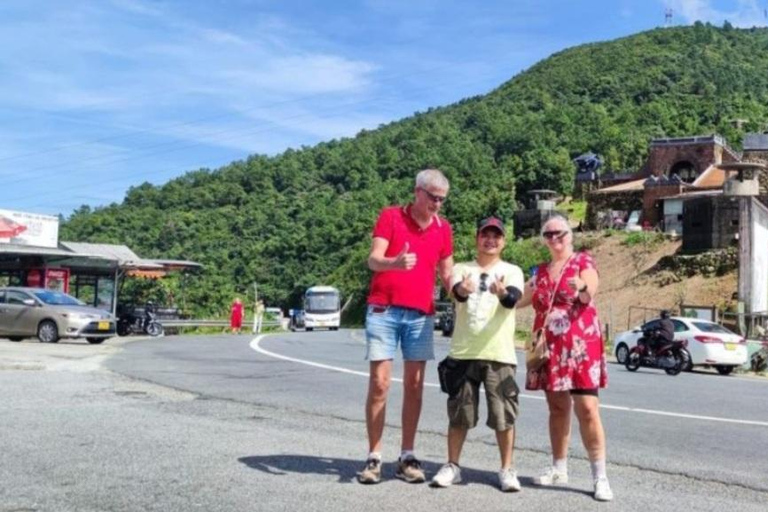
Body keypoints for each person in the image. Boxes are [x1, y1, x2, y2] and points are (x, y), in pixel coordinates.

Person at [358, 168, 454, 485]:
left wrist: (463, 291)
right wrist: (393, 263)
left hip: (420, 315)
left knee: (414, 385)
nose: (437, 205)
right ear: (417, 192)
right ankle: (374, 456)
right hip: (384, 310)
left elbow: (447, 274)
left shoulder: (443, 229)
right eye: (432, 198)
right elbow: (373, 259)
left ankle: (407, 455)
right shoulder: (391, 217)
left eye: (442, 200)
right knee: (381, 383)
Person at [518, 213, 613, 502]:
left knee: (586, 408)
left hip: (580, 346)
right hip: (550, 348)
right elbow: (518, 298)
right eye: (548, 234)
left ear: (570, 235)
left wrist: (581, 288)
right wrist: (498, 294)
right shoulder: (542, 271)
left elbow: (590, 289)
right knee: (557, 408)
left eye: (559, 233)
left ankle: (600, 476)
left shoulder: (583, 261)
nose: (554, 238)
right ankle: (559, 467)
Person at [430, 217, 525, 492]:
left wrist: (501, 291)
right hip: (463, 353)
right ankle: (452, 466)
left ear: (503, 242)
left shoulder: (512, 270)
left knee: (503, 415)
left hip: (500, 354)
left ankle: (507, 469)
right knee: (459, 413)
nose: (491, 240)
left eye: (496, 236)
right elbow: (457, 294)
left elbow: (512, 300)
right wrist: (462, 288)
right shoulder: (462, 269)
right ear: (477, 239)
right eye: (486, 235)